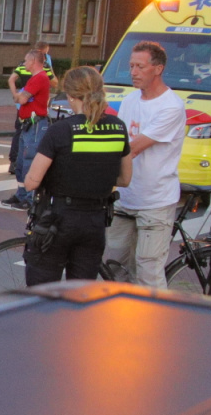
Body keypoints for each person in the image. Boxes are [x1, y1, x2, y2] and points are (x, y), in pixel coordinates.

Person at [20, 66, 132, 285]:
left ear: (70, 96)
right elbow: (125, 179)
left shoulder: (61, 130)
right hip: (95, 221)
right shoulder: (118, 128)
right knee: (81, 293)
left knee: (43, 291)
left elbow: (32, 182)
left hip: (59, 219)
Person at [104, 40, 187, 288]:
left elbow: (133, 147)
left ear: (158, 68)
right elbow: (118, 139)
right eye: (131, 66)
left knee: (148, 271)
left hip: (155, 201)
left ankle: (156, 324)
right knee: (114, 267)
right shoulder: (129, 101)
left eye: (140, 66)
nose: (133, 72)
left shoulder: (171, 106)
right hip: (126, 198)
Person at [2, 48, 53, 209]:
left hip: (35, 124)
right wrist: (19, 96)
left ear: (33, 61)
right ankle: (21, 194)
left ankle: (30, 198)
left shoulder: (39, 78)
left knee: (29, 160)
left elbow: (22, 100)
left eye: (25, 61)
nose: (24, 64)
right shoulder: (34, 78)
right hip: (28, 124)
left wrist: (17, 95)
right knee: (21, 161)